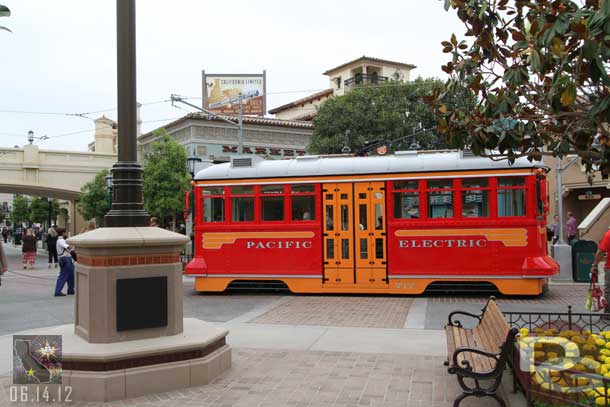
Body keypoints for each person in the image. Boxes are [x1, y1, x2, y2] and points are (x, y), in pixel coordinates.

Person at [53, 227, 74, 297]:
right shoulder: (61, 240)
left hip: (65, 258)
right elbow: (68, 247)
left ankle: (71, 290)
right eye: (66, 232)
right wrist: (74, 247)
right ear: (63, 233)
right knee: (63, 275)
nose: (67, 233)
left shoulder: (59, 240)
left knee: (71, 275)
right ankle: (58, 291)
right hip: (65, 259)